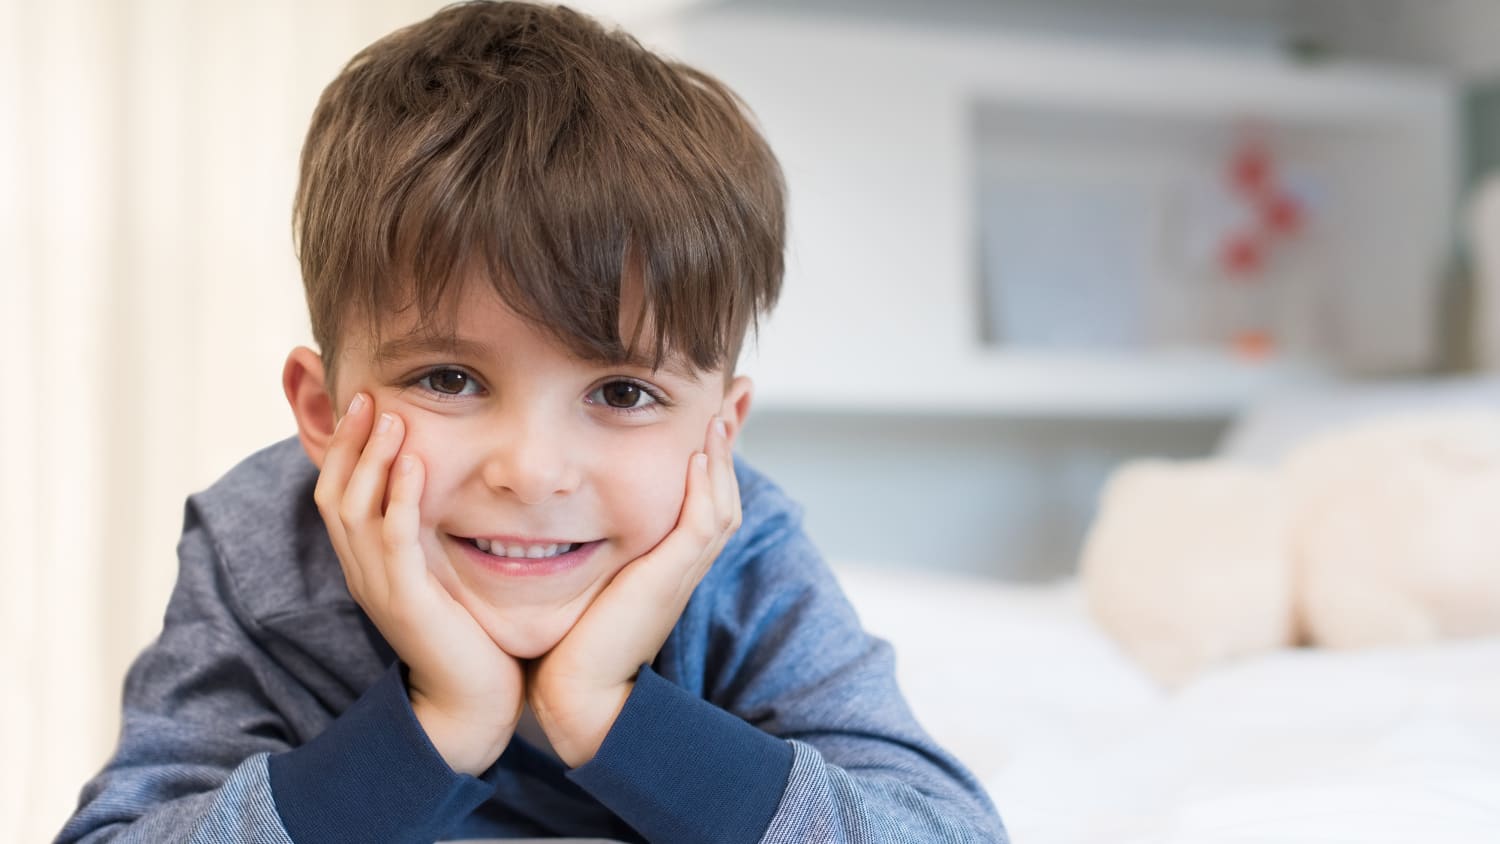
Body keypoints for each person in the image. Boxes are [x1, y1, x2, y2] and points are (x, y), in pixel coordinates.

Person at [57, 2, 1007, 841]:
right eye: (449, 378)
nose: (533, 470)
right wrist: (441, 721)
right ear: (320, 410)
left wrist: (607, 711)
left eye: (624, 393)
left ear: (721, 431)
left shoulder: (743, 557)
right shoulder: (263, 554)